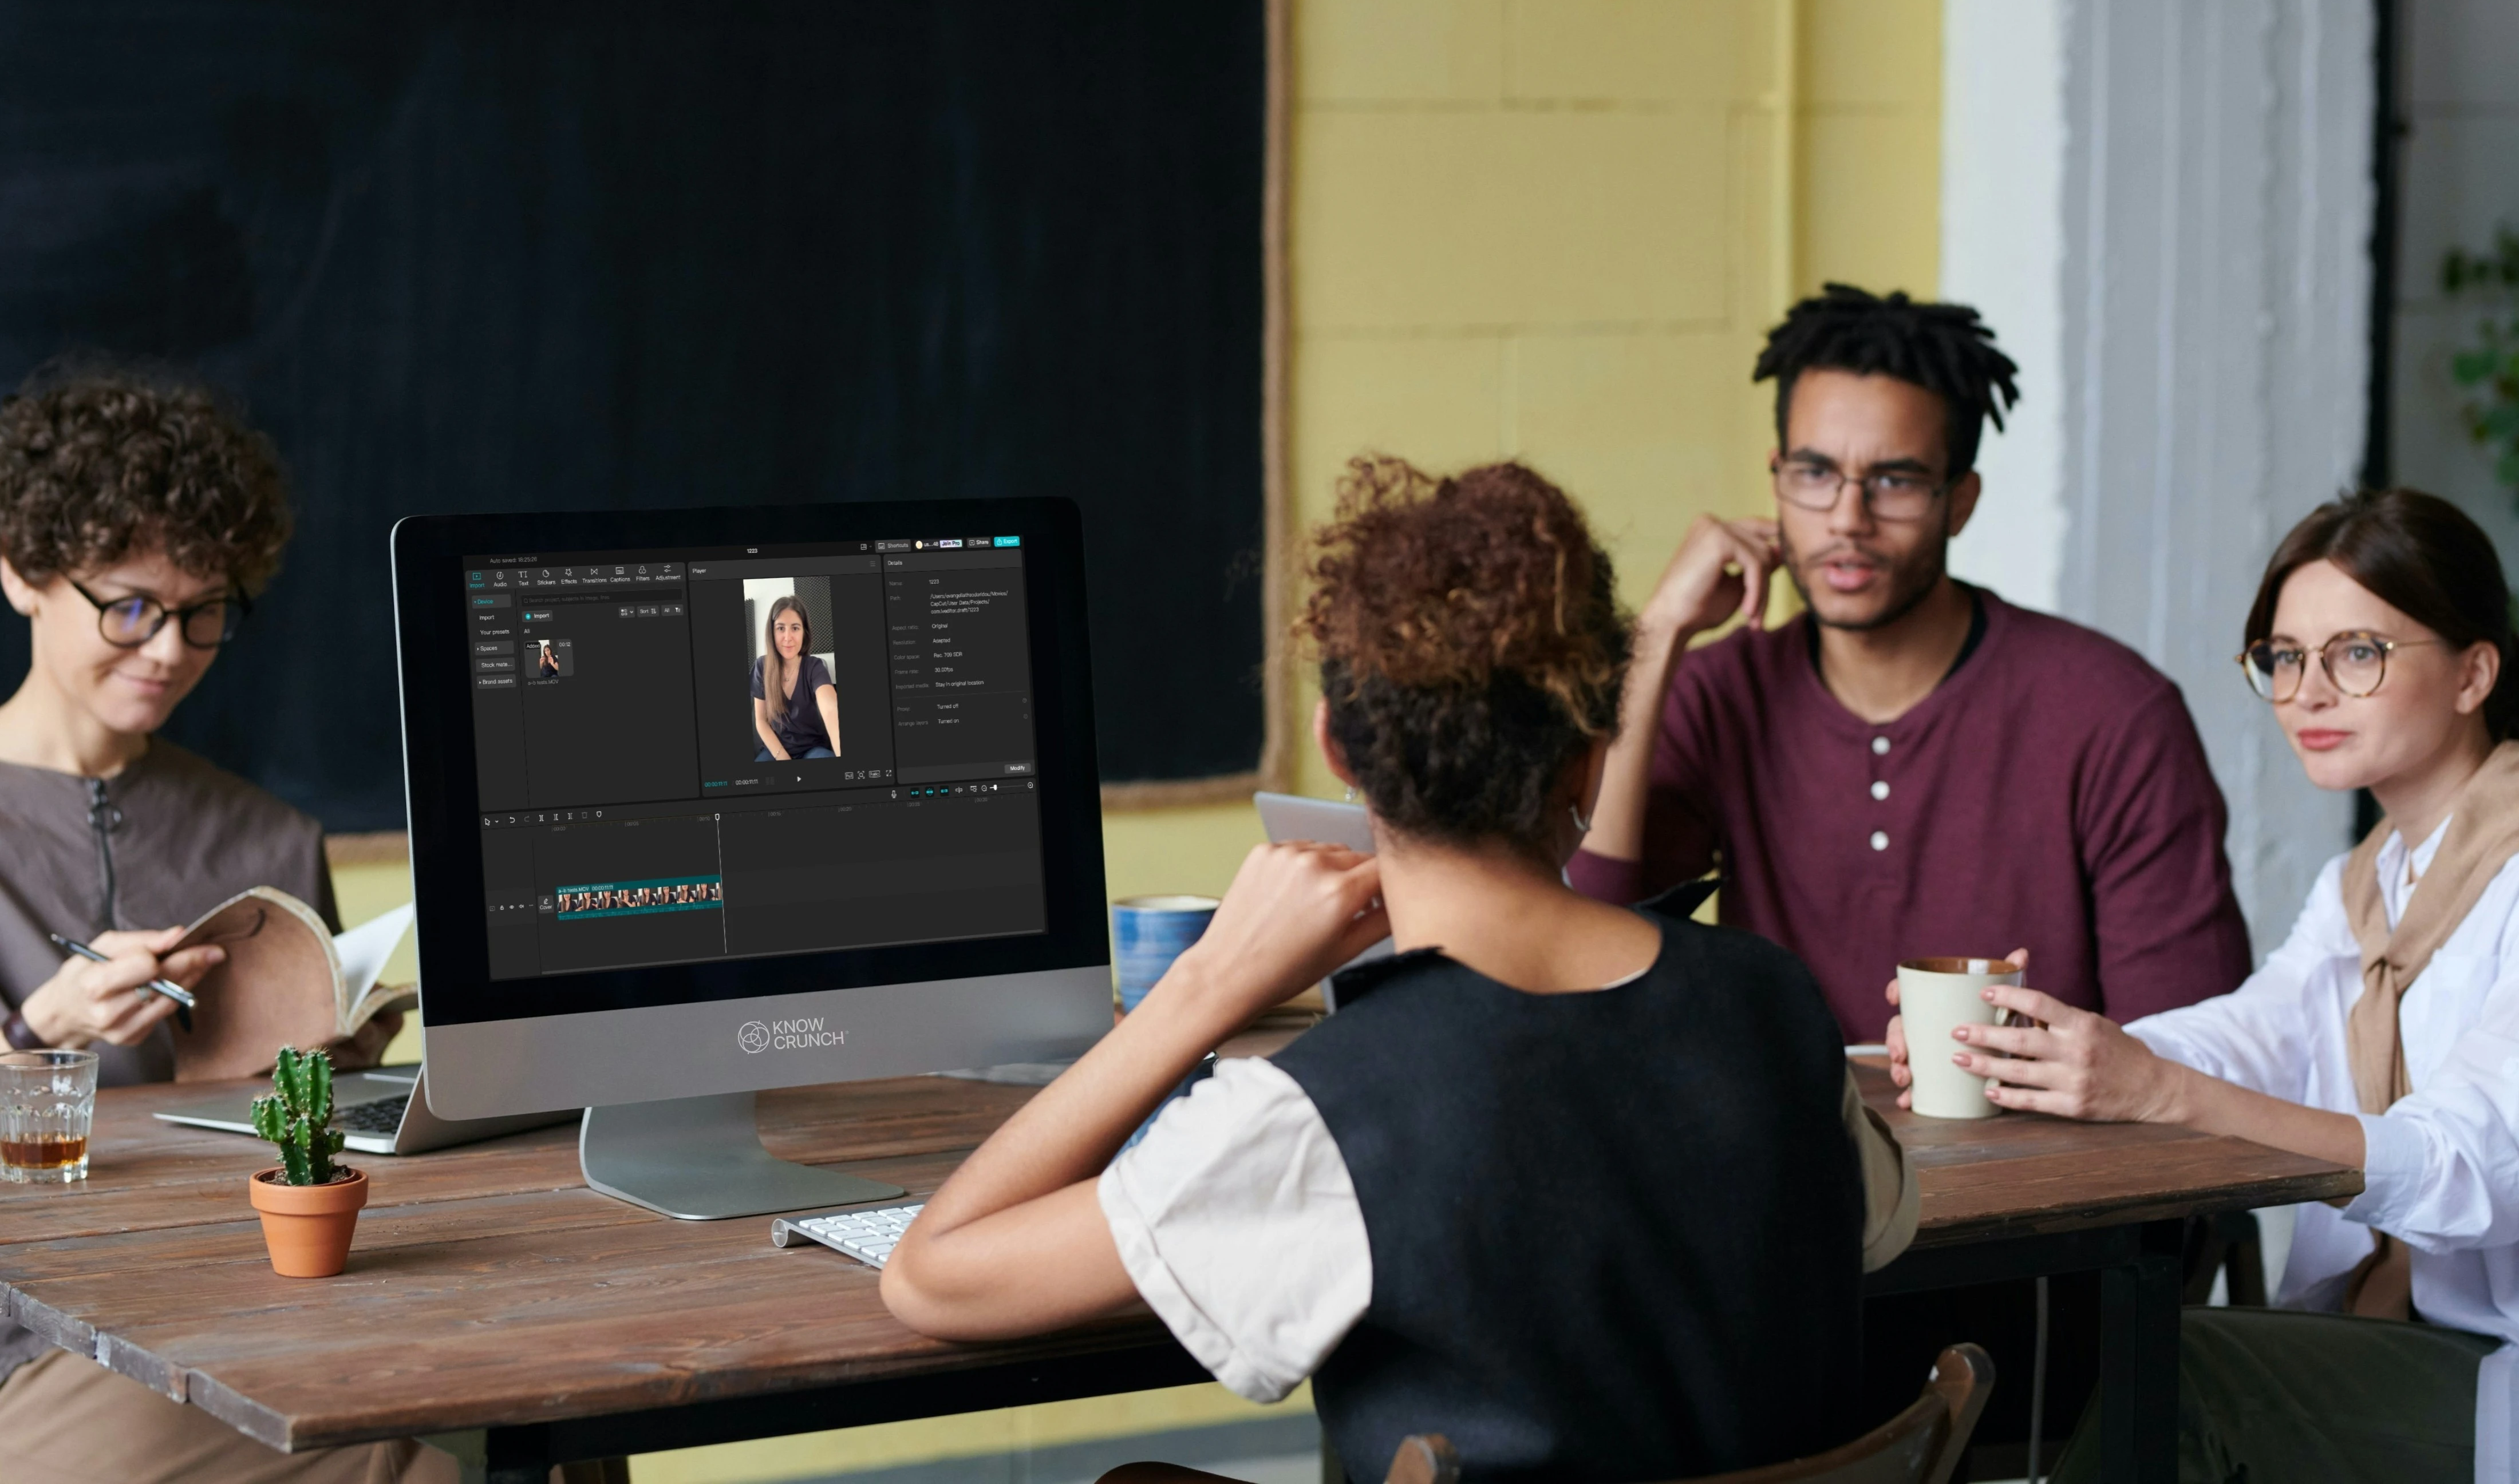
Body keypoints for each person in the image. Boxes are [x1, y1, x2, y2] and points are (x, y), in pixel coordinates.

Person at [881, 458, 1917, 1482]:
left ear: (1337, 744)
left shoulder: (1321, 1114)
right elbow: (1876, 1225)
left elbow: (930, 1277)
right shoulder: (1777, 1004)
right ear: (1592, 748)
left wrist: (1207, 987)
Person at [1885, 489, 2519, 1483]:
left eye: (2359, 651)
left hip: (2498, 1362)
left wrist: (2155, 1089)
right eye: (2284, 655)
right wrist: (2047, 1046)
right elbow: (2254, 1028)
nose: (2308, 691)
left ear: (2474, 670)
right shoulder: (2366, 881)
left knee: (2192, 1366)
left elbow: (2472, 1163)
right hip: (2417, 1327)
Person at [1570, 283, 2253, 1040]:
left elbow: (2190, 1049)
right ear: (1776, 476)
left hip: (2042, 1157)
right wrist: (1658, 632)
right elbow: (1585, 939)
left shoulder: (2114, 714)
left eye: (1895, 480)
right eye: (1815, 472)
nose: (1847, 518)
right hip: (1787, 1155)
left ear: (1960, 501)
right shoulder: (1719, 692)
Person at [0, 361, 446, 1483]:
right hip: (36, 1341)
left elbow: (307, 1141)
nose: (167, 650)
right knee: (429, 1439)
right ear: (23, 573)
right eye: (131, 605)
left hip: (252, 1298)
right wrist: (38, 1035)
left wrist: (338, 1060)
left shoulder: (266, 839)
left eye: (205, 613)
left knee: (495, 1397)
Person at [751, 593, 839, 761]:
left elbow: (830, 709)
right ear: (772, 632)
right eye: (781, 628)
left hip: (812, 749)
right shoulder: (762, 667)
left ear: (804, 633)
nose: (788, 637)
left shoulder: (815, 667)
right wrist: (782, 756)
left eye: (795, 628)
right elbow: (761, 721)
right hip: (775, 750)